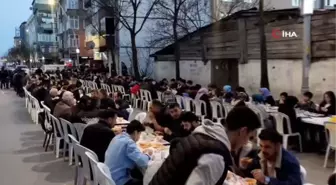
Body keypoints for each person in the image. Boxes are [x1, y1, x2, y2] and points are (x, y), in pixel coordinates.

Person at [148, 106, 261, 185]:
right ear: (243, 131)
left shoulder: (205, 135)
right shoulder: (215, 156)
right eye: (249, 137)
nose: (246, 143)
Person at [105, 120, 150, 185]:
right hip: (117, 180)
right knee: (145, 180)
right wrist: (148, 155)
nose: (139, 137)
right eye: (140, 134)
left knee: (137, 172)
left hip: (108, 175)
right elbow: (144, 162)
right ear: (135, 132)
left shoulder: (117, 137)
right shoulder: (129, 143)